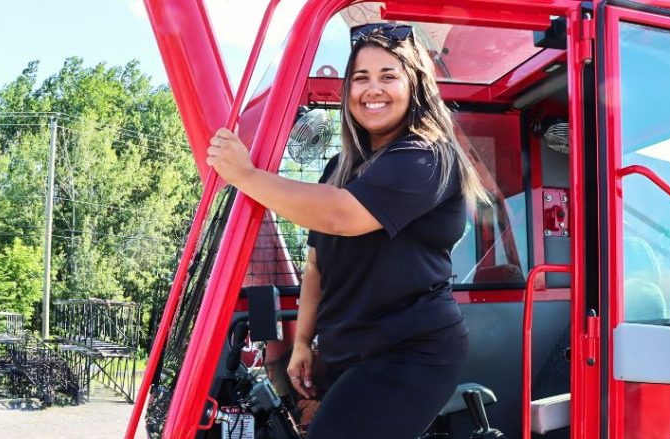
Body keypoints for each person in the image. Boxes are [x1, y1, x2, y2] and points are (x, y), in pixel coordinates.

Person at [205, 22, 489, 438]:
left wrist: (245, 175)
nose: (373, 89)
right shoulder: (340, 168)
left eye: (388, 76)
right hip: (349, 350)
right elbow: (317, 262)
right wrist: (303, 342)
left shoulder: (425, 156)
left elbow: (341, 215)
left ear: (415, 86)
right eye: (361, 78)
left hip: (410, 352)